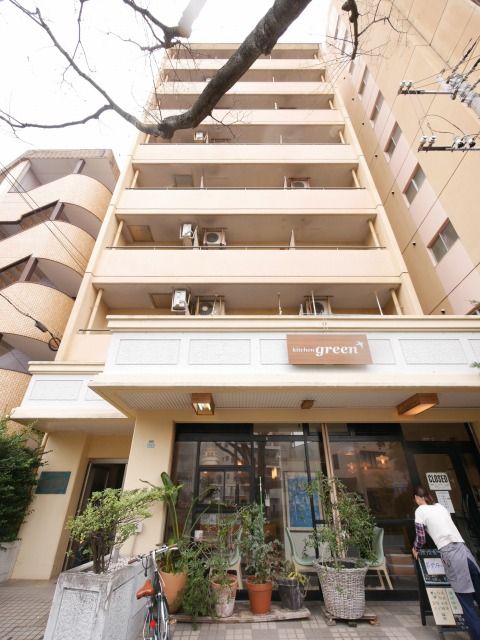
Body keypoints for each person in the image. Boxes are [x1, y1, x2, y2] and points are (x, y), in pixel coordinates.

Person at [412, 485, 480, 640]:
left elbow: (421, 537)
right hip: (465, 551)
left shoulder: (420, 510)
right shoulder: (440, 507)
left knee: (467, 605)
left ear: (417, 498)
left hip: (451, 554)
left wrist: (415, 548)